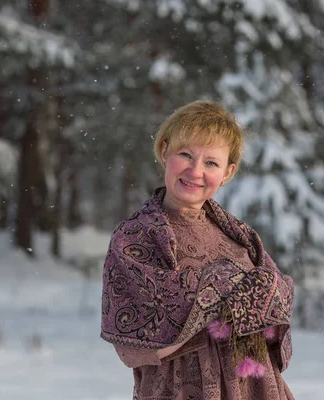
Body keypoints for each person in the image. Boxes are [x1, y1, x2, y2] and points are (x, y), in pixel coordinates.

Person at [100, 100, 295, 399]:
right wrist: (219, 292)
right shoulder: (135, 238)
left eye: (211, 163)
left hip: (255, 389)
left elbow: (276, 305)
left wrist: (255, 295)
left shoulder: (240, 237)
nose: (195, 171)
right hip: (181, 389)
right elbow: (133, 347)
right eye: (186, 155)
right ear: (165, 151)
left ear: (227, 172)